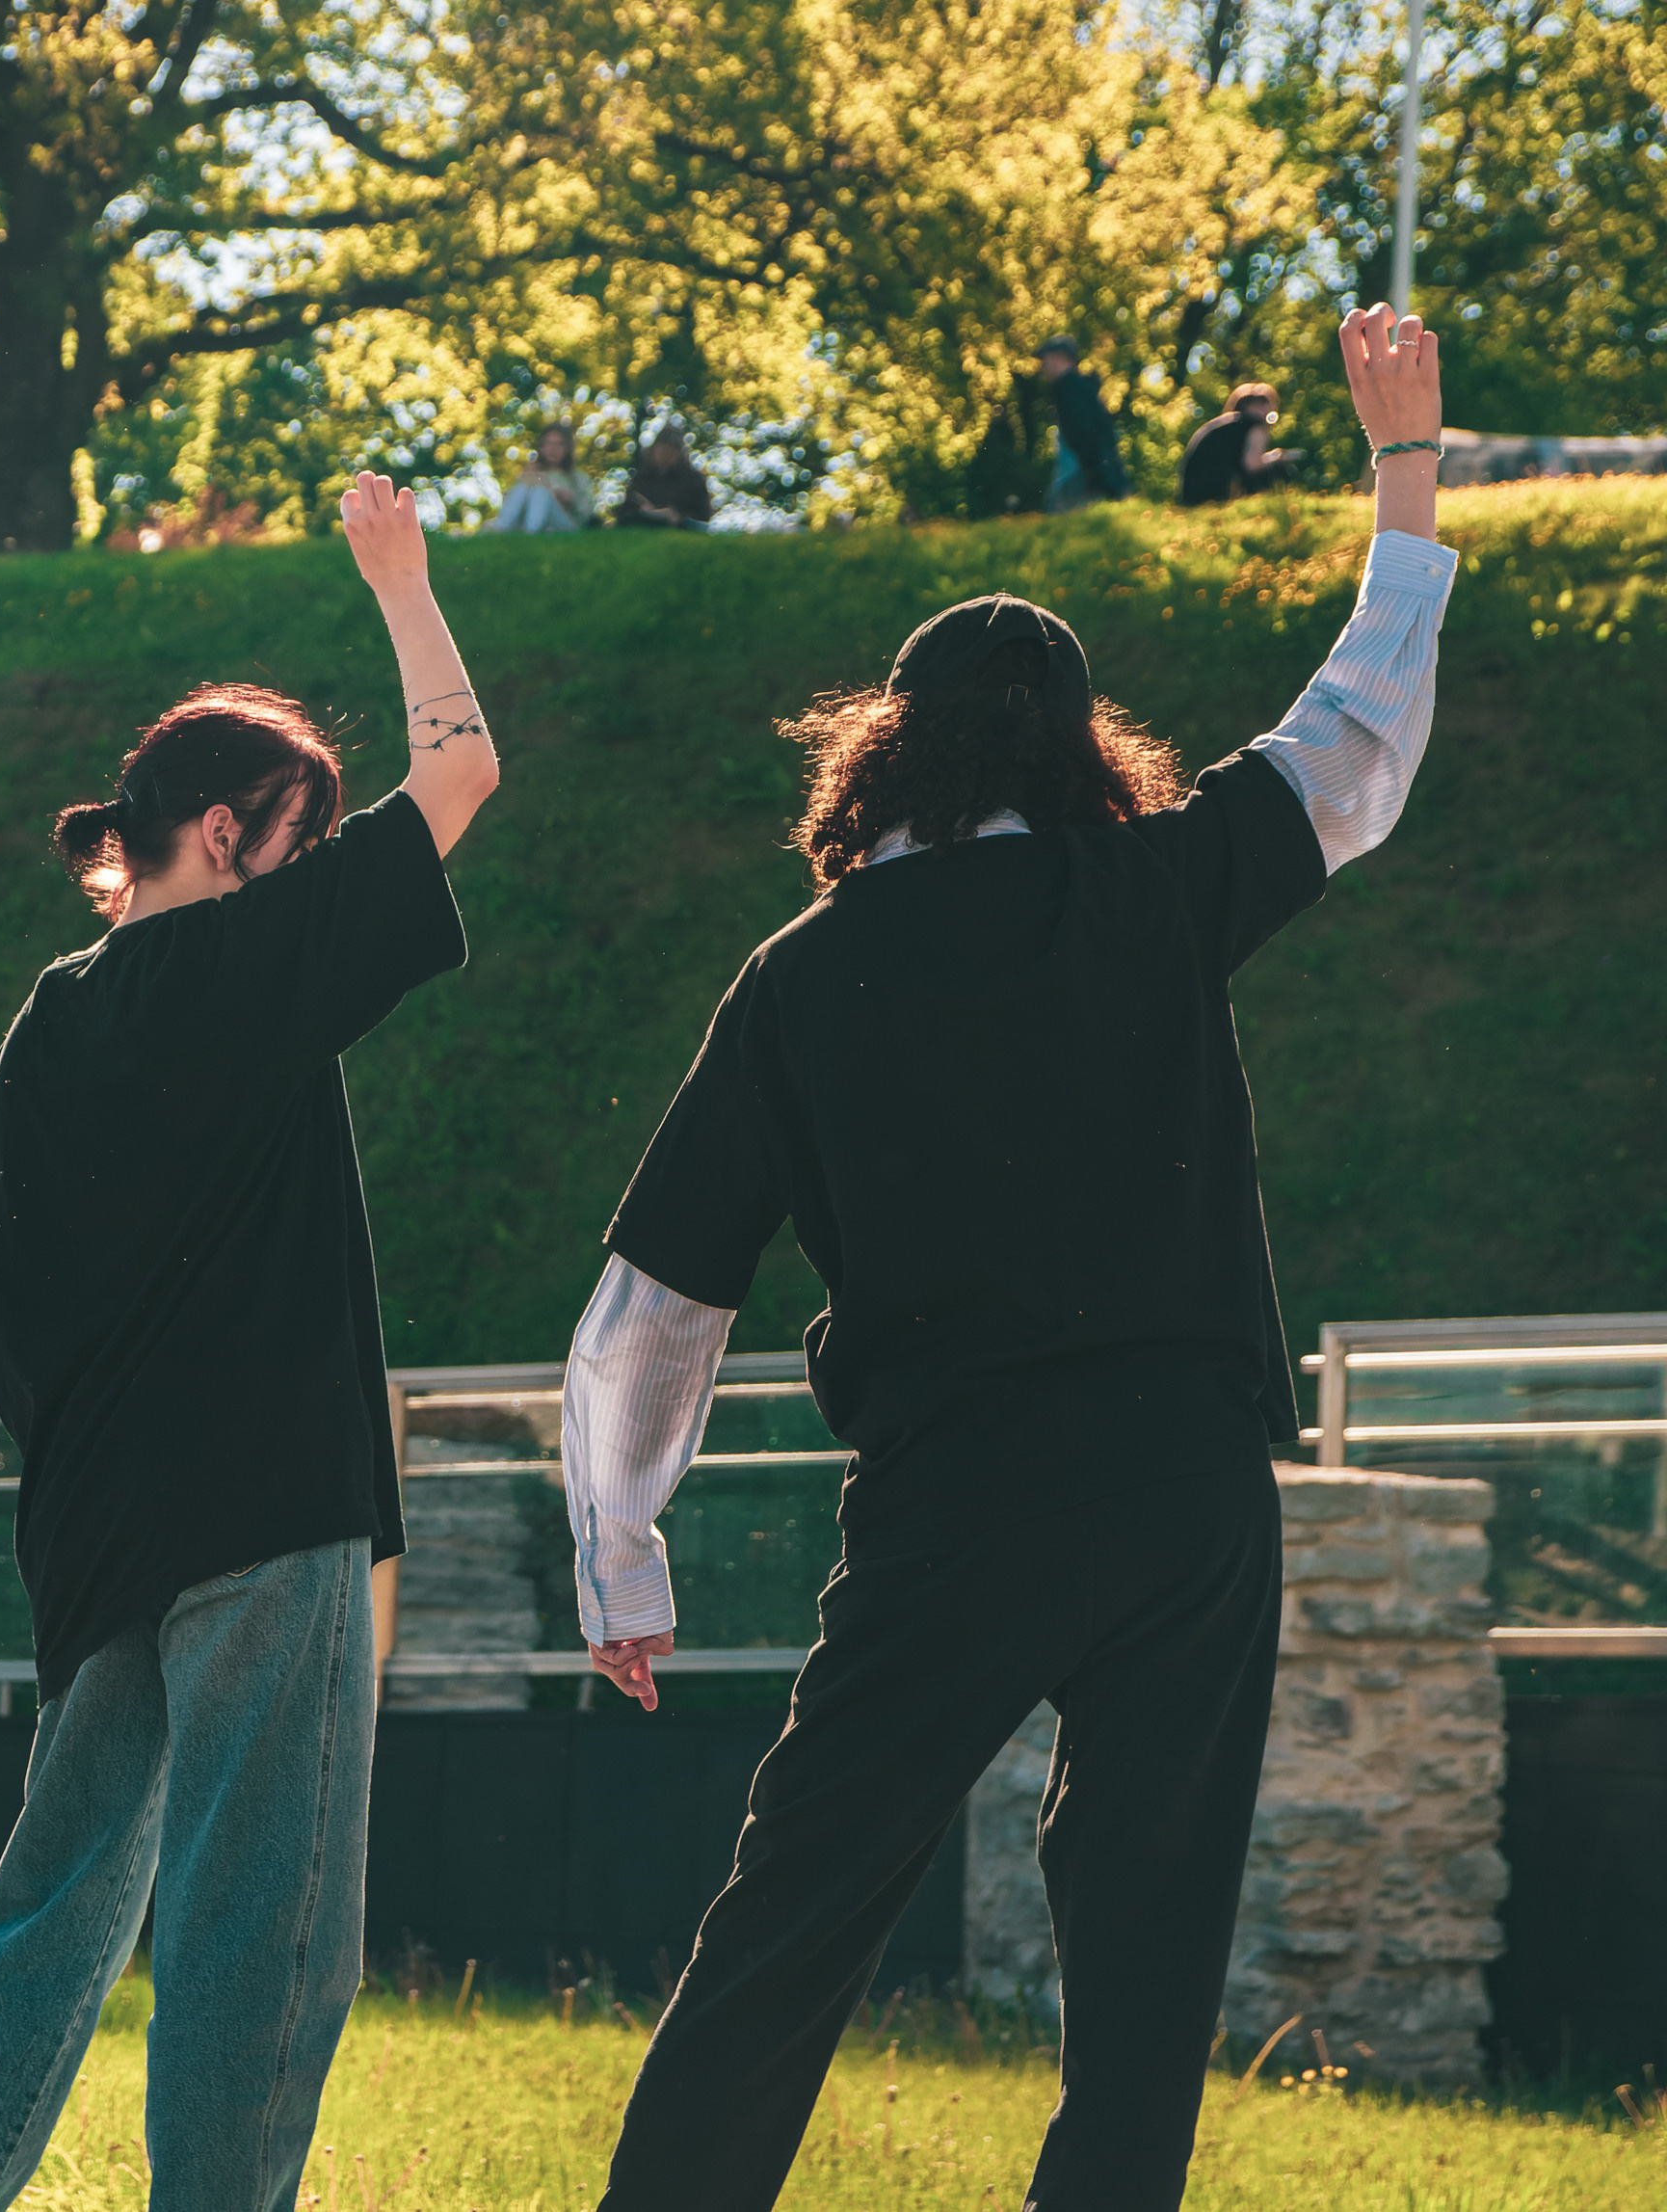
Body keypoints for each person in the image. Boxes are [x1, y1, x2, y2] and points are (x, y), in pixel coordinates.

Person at [562, 306, 1451, 2212]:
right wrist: (1403, 471)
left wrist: (621, 1548)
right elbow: (1358, 743)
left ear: (888, 747)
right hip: (1190, 1485)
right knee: (1142, 1957)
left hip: (963, 1492)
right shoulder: (1154, 884)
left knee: (796, 1913)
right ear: (1076, 745)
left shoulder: (802, 978)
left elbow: (660, 1300)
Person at [0, 473, 497, 2212]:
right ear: (227, 832)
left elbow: (3, 1316)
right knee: (258, 1939)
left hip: (98, 1542)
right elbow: (463, 773)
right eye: (303, 830)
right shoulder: (246, 964)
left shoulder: (39, 1033)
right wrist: (400, 578)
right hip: (261, 1521)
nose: (313, 861)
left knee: (51, 1920)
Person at [1033, 333, 1129, 513]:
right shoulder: (1078, 387)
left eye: (1044, 359)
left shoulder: (1069, 388)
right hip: (1087, 473)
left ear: (1059, 356)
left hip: (1079, 477)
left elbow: (1085, 434)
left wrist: (1096, 472)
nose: (1042, 366)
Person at [1181, 381, 1307, 506]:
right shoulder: (1256, 426)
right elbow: (1252, 465)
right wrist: (1279, 457)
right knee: (1282, 470)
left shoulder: (1227, 423)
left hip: (1193, 494)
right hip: (1217, 493)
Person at [489, 420, 597, 532]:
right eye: (549, 443)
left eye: (559, 444)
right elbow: (515, 499)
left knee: (541, 492)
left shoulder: (578, 478)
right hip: (529, 519)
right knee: (524, 487)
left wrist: (572, 502)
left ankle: (531, 532)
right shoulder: (535, 472)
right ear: (542, 447)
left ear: (567, 448)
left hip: (567, 523)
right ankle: (501, 527)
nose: (553, 449)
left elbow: (588, 513)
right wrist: (527, 477)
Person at [617, 421, 713, 529]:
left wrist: (677, 516)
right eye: (662, 449)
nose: (665, 455)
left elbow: (702, 518)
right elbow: (623, 516)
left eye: (671, 451)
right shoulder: (642, 479)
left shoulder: (693, 481)